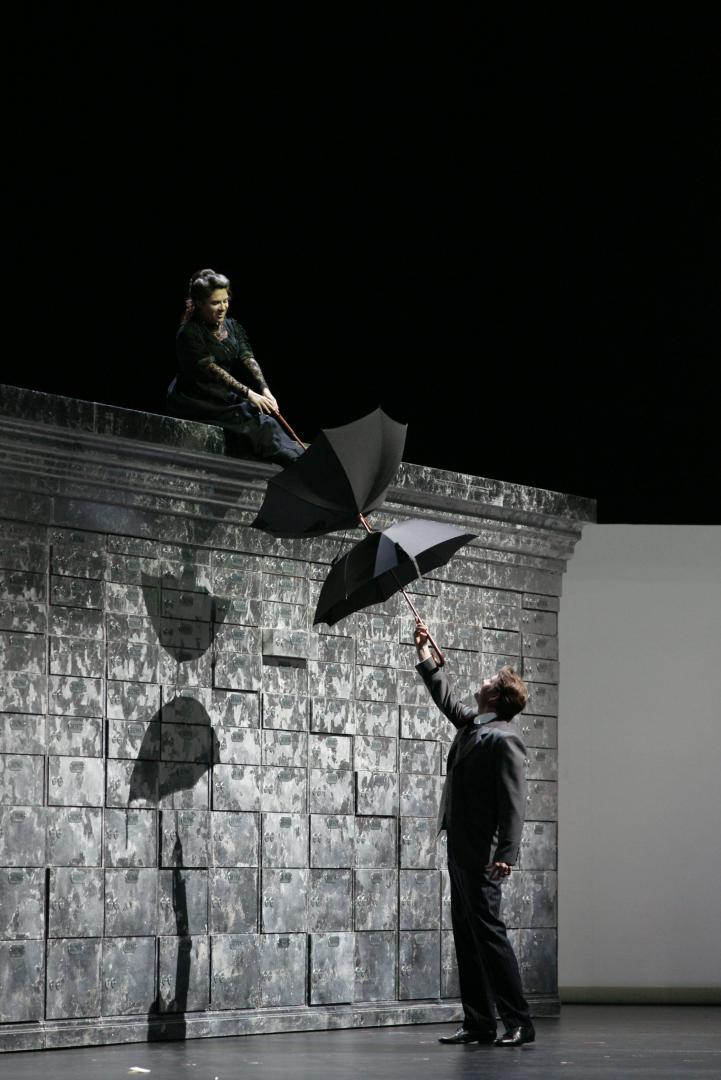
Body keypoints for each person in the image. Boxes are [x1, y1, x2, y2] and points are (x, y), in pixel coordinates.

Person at [414, 618, 536, 1048]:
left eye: (489, 679)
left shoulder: (504, 739)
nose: (482, 680)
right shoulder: (474, 725)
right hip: (461, 849)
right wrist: (425, 652)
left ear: (496, 696)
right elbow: (446, 699)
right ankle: (479, 1022)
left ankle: (519, 1021)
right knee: (467, 936)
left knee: (489, 936)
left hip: (484, 855)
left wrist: (507, 853)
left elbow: (514, 801)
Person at [167, 269, 304, 467]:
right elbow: (213, 370)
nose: (223, 307)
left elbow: (247, 357)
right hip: (198, 399)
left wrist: (265, 388)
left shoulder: (231, 326)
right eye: (215, 303)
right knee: (259, 425)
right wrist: (250, 394)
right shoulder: (189, 333)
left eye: (226, 301)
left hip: (222, 394)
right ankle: (298, 463)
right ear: (199, 303)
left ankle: (300, 458)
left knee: (263, 418)